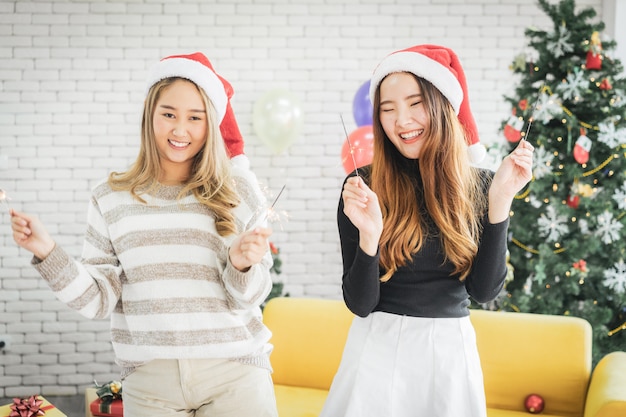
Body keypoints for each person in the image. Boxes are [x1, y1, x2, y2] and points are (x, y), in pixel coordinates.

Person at [10, 52, 278, 417]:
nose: (180, 130)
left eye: (195, 118)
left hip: (236, 375)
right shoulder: (110, 197)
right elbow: (98, 300)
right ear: (150, 115)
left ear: (210, 124)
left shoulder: (238, 190)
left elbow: (252, 296)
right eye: (169, 114)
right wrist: (47, 252)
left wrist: (241, 265)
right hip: (151, 385)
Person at [320, 44, 534, 417]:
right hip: (376, 351)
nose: (401, 120)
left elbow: (484, 292)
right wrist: (371, 237)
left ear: (440, 104)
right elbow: (360, 303)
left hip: (449, 354)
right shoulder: (363, 186)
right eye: (387, 109)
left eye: (415, 103)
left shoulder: (483, 186)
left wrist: (499, 202)